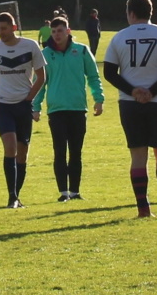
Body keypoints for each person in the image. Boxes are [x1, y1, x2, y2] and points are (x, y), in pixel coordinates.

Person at [103, 0, 157, 218]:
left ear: (130, 13)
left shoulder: (119, 37)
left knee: (138, 155)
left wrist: (133, 91)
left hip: (130, 104)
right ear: (151, 12)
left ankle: (143, 208)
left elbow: (109, 72)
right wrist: (152, 91)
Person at [0, 12, 46, 208]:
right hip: (2, 104)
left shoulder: (30, 46)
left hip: (23, 105)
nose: (0, 32)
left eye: (4, 28)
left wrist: (29, 98)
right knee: (10, 148)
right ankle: (12, 197)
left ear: (14, 28)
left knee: (22, 153)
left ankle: (17, 195)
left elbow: (41, 76)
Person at [32, 16, 104, 202]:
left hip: (78, 108)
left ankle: (75, 191)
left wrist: (98, 99)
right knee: (59, 151)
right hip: (56, 110)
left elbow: (93, 77)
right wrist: (35, 106)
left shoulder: (81, 51)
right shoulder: (45, 54)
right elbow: (39, 82)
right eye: (54, 31)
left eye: (60, 31)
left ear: (68, 31)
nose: (57, 35)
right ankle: (63, 192)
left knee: (76, 151)